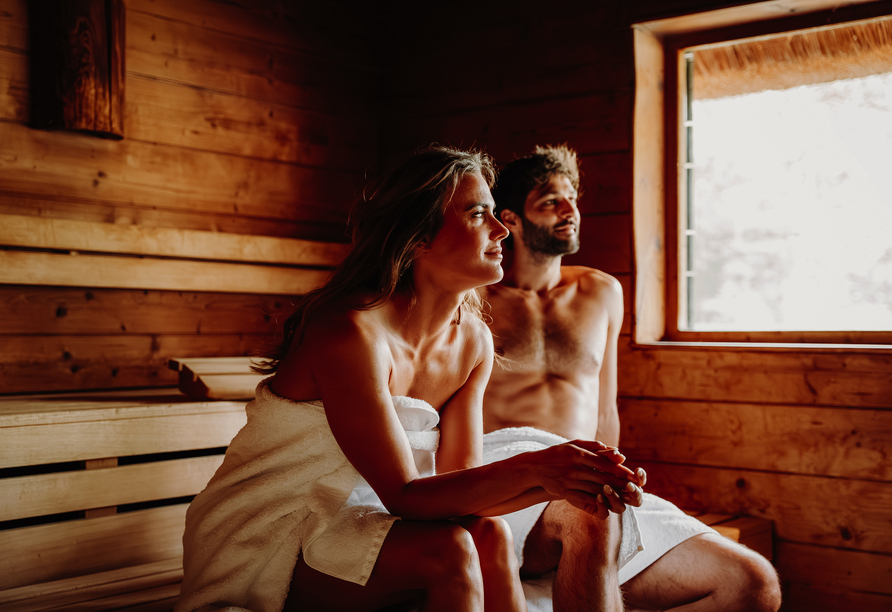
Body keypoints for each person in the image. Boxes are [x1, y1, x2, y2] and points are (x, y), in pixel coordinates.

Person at [175, 145, 646, 612]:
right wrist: (539, 468)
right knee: (450, 553)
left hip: (358, 519)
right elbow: (404, 495)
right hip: (271, 529)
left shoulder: (472, 342)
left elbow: (460, 491)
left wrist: (572, 477)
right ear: (419, 236)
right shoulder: (349, 331)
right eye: (479, 214)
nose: (502, 229)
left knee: (487, 534)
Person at [480, 145, 782, 612]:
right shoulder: (475, 300)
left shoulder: (601, 292)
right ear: (511, 220)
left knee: (753, 584)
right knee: (585, 519)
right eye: (550, 203)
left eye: (573, 199)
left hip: (591, 482)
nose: (570, 212)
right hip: (510, 484)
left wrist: (616, 476)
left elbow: (604, 408)